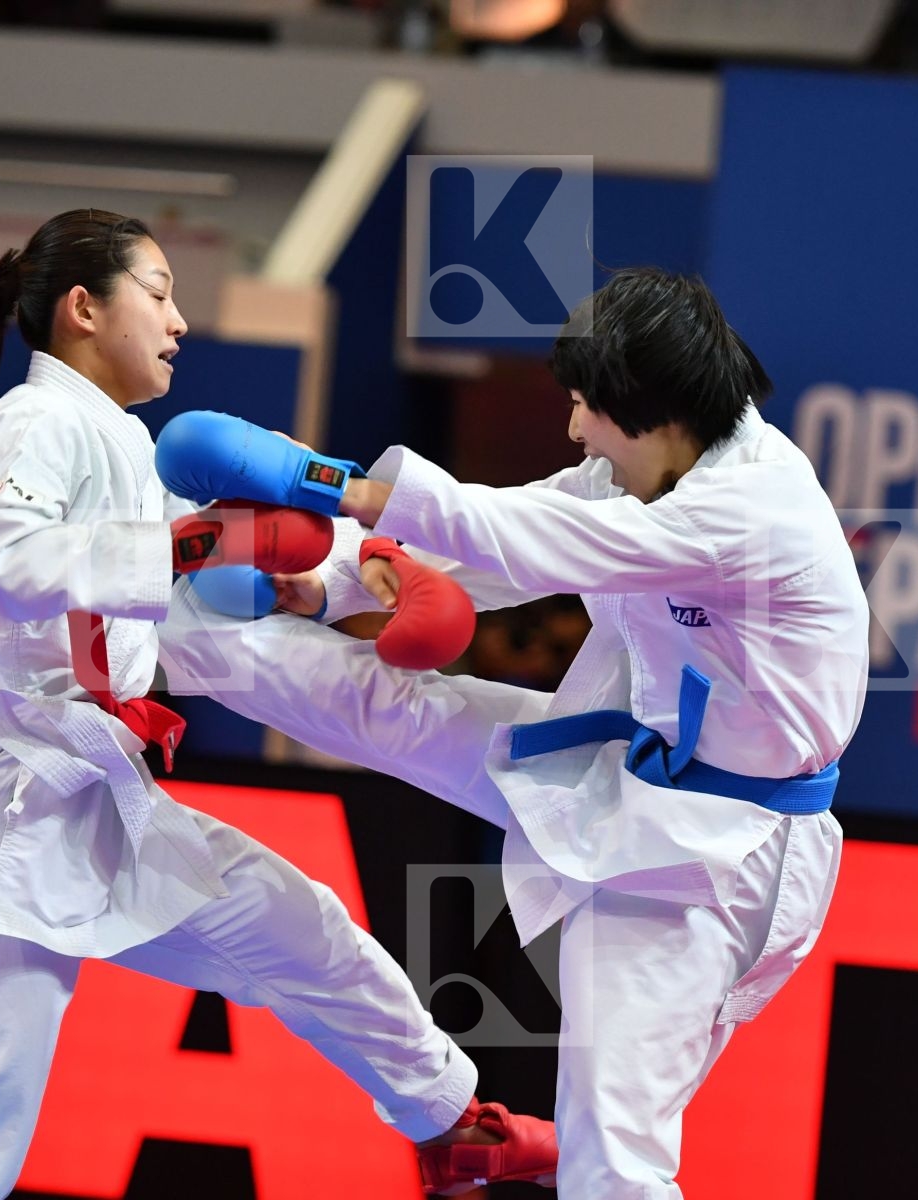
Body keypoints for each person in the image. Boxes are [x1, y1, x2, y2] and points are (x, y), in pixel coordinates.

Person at [0, 208, 555, 1200]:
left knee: (309, 932)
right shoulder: (36, 421)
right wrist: (198, 548)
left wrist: (358, 572)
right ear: (85, 308)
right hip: (8, 808)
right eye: (159, 291)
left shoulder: (122, 447)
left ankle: (449, 1124)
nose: (179, 320)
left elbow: (222, 566)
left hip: (99, 805)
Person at [156, 266, 870, 1197]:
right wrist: (328, 590)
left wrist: (326, 482)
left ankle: (565, 1156)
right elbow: (526, 531)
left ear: (649, 411)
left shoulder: (748, 512)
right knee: (391, 704)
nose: (574, 428)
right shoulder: (652, 461)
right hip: (629, 766)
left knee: (618, 1154)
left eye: (585, 408)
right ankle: (148, 628)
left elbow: (533, 538)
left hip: (712, 861)